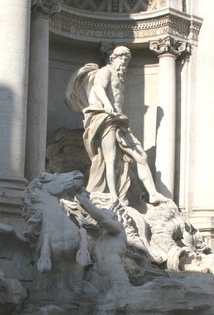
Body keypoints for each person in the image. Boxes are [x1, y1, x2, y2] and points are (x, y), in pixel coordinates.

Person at [66, 46, 169, 206]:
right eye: (121, 58)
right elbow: (98, 87)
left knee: (141, 157)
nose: (124, 62)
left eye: (126, 59)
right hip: (107, 118)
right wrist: (107, 105)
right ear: (113, 58)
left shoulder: (121, 77)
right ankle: (113, 196)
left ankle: (153, 194)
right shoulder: (106, 71)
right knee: (110, 158)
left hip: (119, 121)